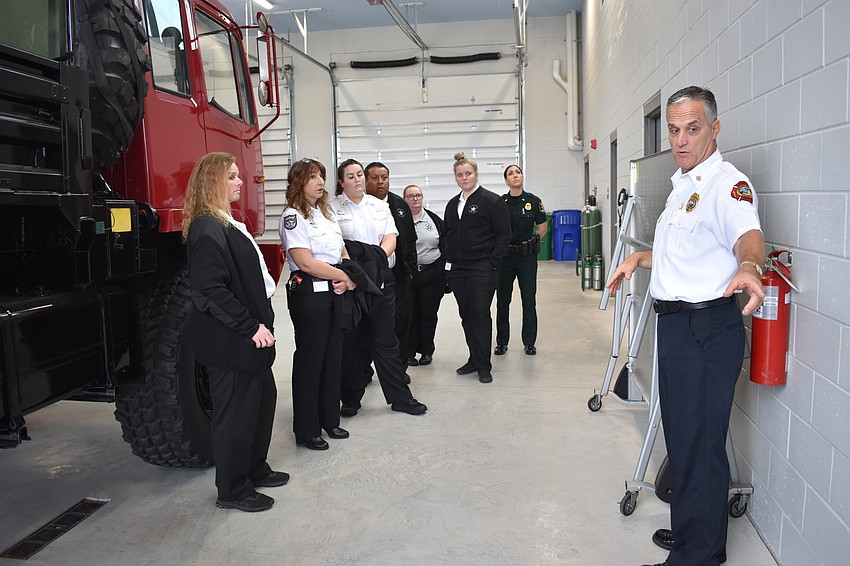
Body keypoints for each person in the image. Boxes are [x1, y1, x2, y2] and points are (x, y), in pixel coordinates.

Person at [606, 86, 765, 566]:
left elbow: (747, 237)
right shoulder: (684, 186)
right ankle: (693, 529)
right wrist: (640, 256)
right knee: (682, 436)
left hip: (706, 328)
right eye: (673, 129)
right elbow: (688, 254)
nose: (680, 139)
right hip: (676, 328)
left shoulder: (726, 185)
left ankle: (699, 556)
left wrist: (751, 268)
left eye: (692, 128)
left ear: (714, 129)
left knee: (699, 441)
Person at [183, 152, 289, 513]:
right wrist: (251, 326)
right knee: (235, 416)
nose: (240, 181)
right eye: (231, 176)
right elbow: (209, 291)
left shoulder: (226, 221)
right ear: (212, 181)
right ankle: (232, 490)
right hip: (232, 339)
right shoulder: (207, 227)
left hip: (250, 336)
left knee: (262, 402)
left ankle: (254, 468)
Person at [330, 158, 427, 417]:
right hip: (351, 285)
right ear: (341, 182)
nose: (357, 180)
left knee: (387, 342)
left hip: (382, 282)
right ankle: (350, 399)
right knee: (352, 345)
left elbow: (390, 237)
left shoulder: (378, 205)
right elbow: (336, 244)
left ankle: (400, 398)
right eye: (350, 176)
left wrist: (376, 261)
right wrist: (357, 272)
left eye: (359, 174)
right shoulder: (331, 208)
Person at [279, 158, 356, 451]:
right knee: (311, 360)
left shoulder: (326, 212)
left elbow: (342, 249)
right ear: (299, 182)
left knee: (333, 356)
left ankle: (329, 419)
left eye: (321, 176)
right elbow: (305, 261)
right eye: (313, 177)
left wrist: (346, 274)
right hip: (310, 293)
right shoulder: (293, 216)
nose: (320, 182)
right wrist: (344, 276)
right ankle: (307, 429)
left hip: (335, 289)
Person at [443, 151, 511, 383]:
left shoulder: (492, 201)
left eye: (468, 173)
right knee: (466, 315)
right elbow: (448, 236)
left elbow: (504, 235)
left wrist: (492, 262)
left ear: (476, 174)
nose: (464, 178)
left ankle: (484, 365)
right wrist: (448, 267)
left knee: (480, 314)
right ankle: (473, 358)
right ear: (456, 177)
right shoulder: (453, 204)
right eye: (460, 174)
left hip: (482, 267)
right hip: (459, 270)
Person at [364, 162, 417, 376]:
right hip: (368, 277)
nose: (380, 182)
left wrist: (410, 270)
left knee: (401, 322)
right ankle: (364, 370)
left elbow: (411, 240)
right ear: (366, 181)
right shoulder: (360, 206)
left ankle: (400, 368)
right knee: (368, 324)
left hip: (399, 274)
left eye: (384, 177)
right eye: (375, 178)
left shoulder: (399, 205)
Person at [495, 165, 547, 356]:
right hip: (505, 258)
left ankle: (529, 341)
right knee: (502, 300)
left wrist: (536, 238)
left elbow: (542, 226)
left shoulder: (533, 201)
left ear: (522, 177)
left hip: (526, 258)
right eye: (510, 174)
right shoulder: (500, 203)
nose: (515, 175)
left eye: (517, 172)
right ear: (506, 180)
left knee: (528, 300)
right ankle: (502, 341)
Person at [402, 184, 446, 366]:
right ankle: (409, 352)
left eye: (418, 195)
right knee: (409, 314)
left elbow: (445, 246)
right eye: (410, 196)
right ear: (404, 199)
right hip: (409, 275)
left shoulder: (434, 220)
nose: (415, 199)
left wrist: (443, 272)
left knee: (428, 314)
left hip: (431, 275)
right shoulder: (399, 221)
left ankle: (427, 351)